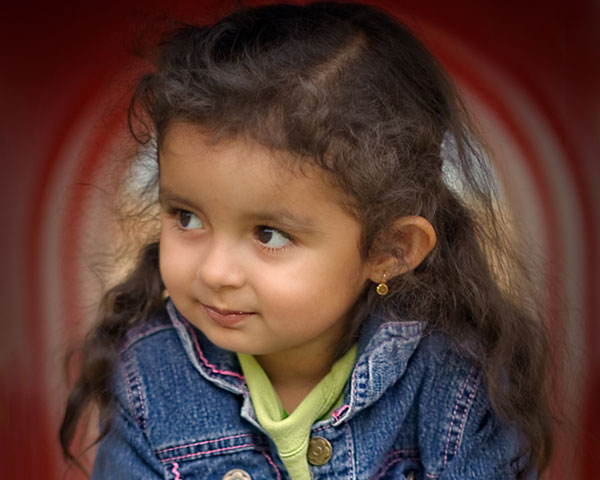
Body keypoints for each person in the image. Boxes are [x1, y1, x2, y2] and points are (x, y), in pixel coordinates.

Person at [59, 2, 553, 479]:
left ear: (389, 251)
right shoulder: (150, 377)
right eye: (187, 218)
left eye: (269, 234)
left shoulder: (454, 383)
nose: (214, 272)